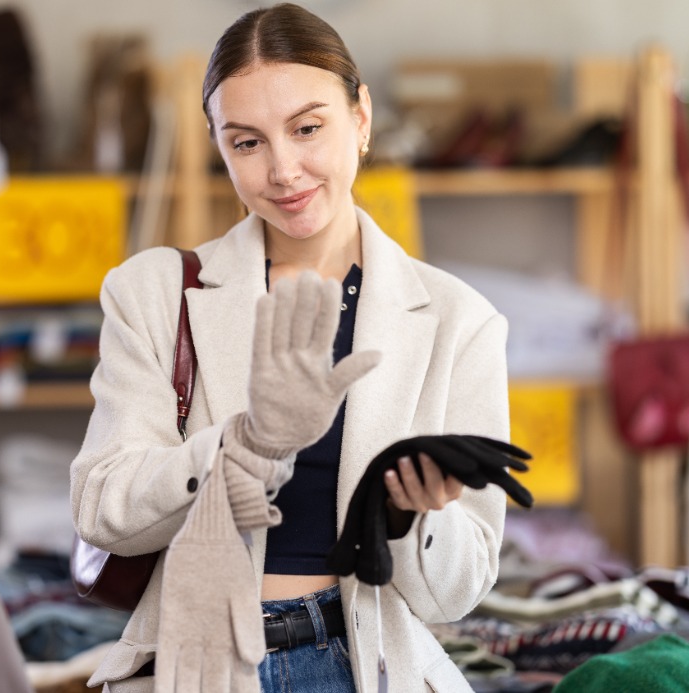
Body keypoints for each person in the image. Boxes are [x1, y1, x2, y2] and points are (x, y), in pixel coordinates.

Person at [70, 4, 510, 691]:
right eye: (246, 143)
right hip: (200, 665)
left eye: (308, 129)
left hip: (362, 665)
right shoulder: (154, 293)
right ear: (218, 145)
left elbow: (458, 593)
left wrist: (413, 513)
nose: (283, 169)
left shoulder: (460, 322)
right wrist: (244, 443)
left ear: (360, 118)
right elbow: (103, 507)